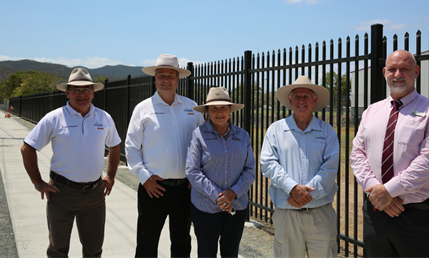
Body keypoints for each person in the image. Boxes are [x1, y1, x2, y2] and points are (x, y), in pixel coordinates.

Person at [350, 49, 429, 258]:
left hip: (416, 217)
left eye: (404, 69)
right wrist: (378, 193)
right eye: (393, 69)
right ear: (385, 72)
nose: (398, 74)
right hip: (376, 212)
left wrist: (389, 191)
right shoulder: (371, 111)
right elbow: (357, 154)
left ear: (416, 72)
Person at [20, 68, 121, 258]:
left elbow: (115, 146)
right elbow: (27, 148)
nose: (81, 94)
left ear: (93, 92)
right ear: (67, 92)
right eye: (76, 89)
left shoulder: (104, 118)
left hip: (94, 195)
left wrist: (111, 176)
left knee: (94, 249)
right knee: (58, 249)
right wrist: (38, 182)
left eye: (86, 89)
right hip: (61, 193)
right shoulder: (54, 118)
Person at [125, 53, 205, 258]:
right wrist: (145, 178)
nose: (166, 80)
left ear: (178, 78)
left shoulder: (191, 108)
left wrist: (197, 177)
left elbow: (204, 145)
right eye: (162, 75)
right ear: (155, 78)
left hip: (184, 190)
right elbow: (132, 147)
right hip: (153, 189)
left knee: (181, 243)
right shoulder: (142, 109)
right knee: (146, 242)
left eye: (171, 75)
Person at [261, 75, 339, 258]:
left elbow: (329, 168)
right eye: (297, 96)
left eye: (306, 96)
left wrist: (305, 195)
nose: (301, 101)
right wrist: (293, 188)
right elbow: (268, 163)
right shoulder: (276, 130)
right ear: (290, 100)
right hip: (287, 214)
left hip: (320, 213)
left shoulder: (327, 131)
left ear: (314, 100)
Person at [186, 86, 255, 258]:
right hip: (205, 207)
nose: (219, 112)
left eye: (223, 107)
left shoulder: (243, 136)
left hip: (236, 206)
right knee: (206, 252)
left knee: (230, 253)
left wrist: (232, 193)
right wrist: (219, 197)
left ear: (230, 109)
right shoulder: (198, 135)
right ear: (207, 111)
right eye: (214, 108)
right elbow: (193, 171)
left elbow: (250, 170)